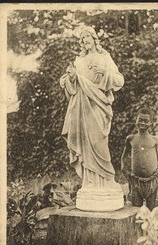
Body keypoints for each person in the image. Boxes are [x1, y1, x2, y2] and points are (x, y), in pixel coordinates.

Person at [60, 26, 124, 211]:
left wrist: (105, 73)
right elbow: (70, 84)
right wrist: (70, 78)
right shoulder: (79, 60)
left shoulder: (105, 57)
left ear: (94, 39)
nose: (85, 40)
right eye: (82, 38)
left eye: (87, 36)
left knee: (99, 143)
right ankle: (89, 183)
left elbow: (119, 80)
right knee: (84, 145)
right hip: (81, 108)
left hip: (98, 106)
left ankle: (106, 180)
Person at [121, 108, 158, 211]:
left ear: (151, 123)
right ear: (136, 121)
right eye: (140, 120)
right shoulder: (131, 139)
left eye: (146, 121)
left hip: (152, 182)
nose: (142, 123)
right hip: (135, 181)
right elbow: (124, 157)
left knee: (152, 210)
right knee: (135, 209)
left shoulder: (155, 140)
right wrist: (125, 170)